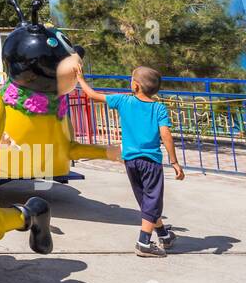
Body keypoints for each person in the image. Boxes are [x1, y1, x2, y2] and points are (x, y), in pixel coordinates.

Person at [77, 66, 185, 257]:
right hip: (150, 161)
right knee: (152, 201)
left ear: (135, 86)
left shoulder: (123, 101)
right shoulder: (158, 107)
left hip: (131, 161)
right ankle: (144, 242)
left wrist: (80, 79)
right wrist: (174, 161)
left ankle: (164, 235)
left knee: (146, 200)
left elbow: (92, 95)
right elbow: (166, 135)